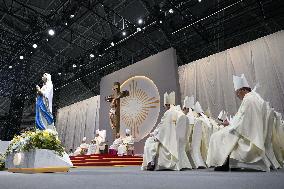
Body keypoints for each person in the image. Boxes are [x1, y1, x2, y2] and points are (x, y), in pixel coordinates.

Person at [206, 74, 282, 171]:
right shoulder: (254, 97)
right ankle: (225, 161)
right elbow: (244, 118)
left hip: (248, 133)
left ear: (242, 90)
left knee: (216, 136)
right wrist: (232, 124)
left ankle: (222, 163)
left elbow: (244, 122)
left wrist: (231, 125)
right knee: (222, 133)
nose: (237, 96)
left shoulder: (248, 99)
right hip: (250, 130)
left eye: (237, 93)